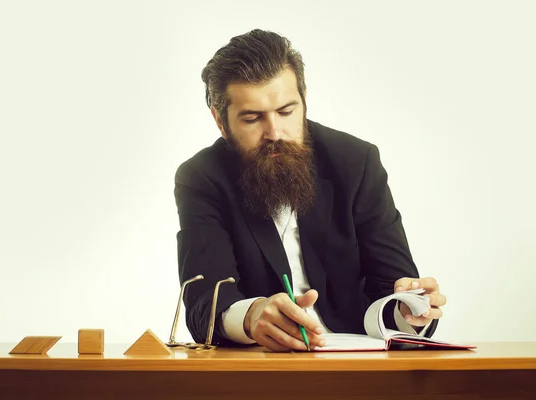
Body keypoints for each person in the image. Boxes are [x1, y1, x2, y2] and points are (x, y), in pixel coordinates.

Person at [174, 29, 446, 352]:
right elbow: (204, 305)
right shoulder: (201, 178)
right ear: (221, 121)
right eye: (252, 118)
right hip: (262, 372)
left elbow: (396, 291)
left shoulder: (357, 162)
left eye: (287, 111)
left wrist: (410, 310)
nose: (275, 133)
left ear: (304, 101)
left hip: (361, 370)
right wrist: (251, 316)